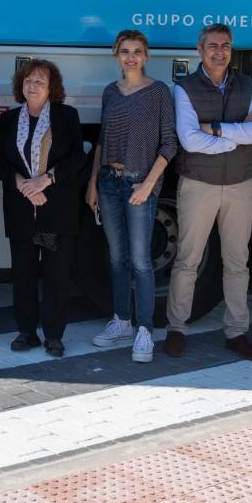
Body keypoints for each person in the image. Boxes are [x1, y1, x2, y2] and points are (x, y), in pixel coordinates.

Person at [167, 24, 252, 361]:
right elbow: (188, 139)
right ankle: (176, 328)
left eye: (225, 45)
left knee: (238, 263)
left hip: (241, 185)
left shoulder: (249, 85)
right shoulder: (184, 89)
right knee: (187, 260)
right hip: (198, 185)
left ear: (232, 49)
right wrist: (238, 135)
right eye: (213, 45)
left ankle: (236, 331)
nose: (219, 51)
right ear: (200, 50)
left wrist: (215, 129)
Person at [86, 30, 177, 363]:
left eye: (137, 51)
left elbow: (169, 144)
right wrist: (93, 181)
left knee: (141, 262)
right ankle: (121, 321)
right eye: (124, 51)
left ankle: (145, 330)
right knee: (117, 258)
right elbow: (100, 140)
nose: (131, 57)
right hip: (109, 181)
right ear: (116, 55)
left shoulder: (159, 93)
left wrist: (148, 185)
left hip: (140, 182)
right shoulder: (111, 92)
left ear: (146, 55)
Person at [0, 59, 88, 357]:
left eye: (40, 82)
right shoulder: (9, 120)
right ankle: (26, 332)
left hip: (53, 213)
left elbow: (77, 158)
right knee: (23, 273)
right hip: (23, 213)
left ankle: (54, 335)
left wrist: (46, 180)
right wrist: (23, 184)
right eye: (28, 81)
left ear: (51, 89)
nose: (32, 86)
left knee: (54, 275)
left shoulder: (65, 116)